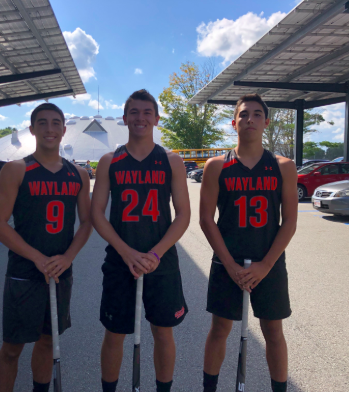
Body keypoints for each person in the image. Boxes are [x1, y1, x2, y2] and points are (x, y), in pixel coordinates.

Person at [91, 89, 191, 392]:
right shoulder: (110, 160)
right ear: (124, 118)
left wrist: (155, 254)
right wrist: (127, 253)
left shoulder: (171, 161)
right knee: (115, 333)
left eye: (147, 112)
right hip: (121, 261)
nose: (140, 117)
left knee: (163, 333)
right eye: (134, 112)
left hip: (160, 261)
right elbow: (97, 214)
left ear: (157, 119)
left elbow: (183, 215)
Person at [0, 103, 92, 392]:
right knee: (12, 347)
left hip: (60, 272)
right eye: (43, 123)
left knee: (49, 340)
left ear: (63, 129)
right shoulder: (16, 169)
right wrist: (36, 258)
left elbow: (86, 223)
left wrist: (67, 258)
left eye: (56, 123)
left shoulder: (78, 174)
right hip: (24, 272)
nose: (50, 129)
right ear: (32, 129)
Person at [199, 94, 298, 392]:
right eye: (243, 115)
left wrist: (265, 265)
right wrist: (229, 265)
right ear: (234, 123)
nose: (250, 119)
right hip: (228, 261)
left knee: (273, 330)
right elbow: (206, 219)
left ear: (266, 122)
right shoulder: (217, 165)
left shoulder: (283, 166)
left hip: (268, 262)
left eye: (257, 114)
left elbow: (290, 221)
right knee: (220, 329)